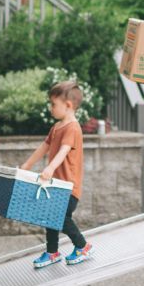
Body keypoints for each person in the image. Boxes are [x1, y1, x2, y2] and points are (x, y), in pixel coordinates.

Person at [20, 81, 93, 268]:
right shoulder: (57, 127)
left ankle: (83, 246)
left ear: (68, 105)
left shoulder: (72, 127)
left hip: (68, 187)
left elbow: (64, 150)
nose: (50, 108)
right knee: (49, 216)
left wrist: (50, 168)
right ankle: (52, 252)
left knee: (59, 217)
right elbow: (44, 147)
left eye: (53, 104)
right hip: (55, 185)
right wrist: (27, 164)